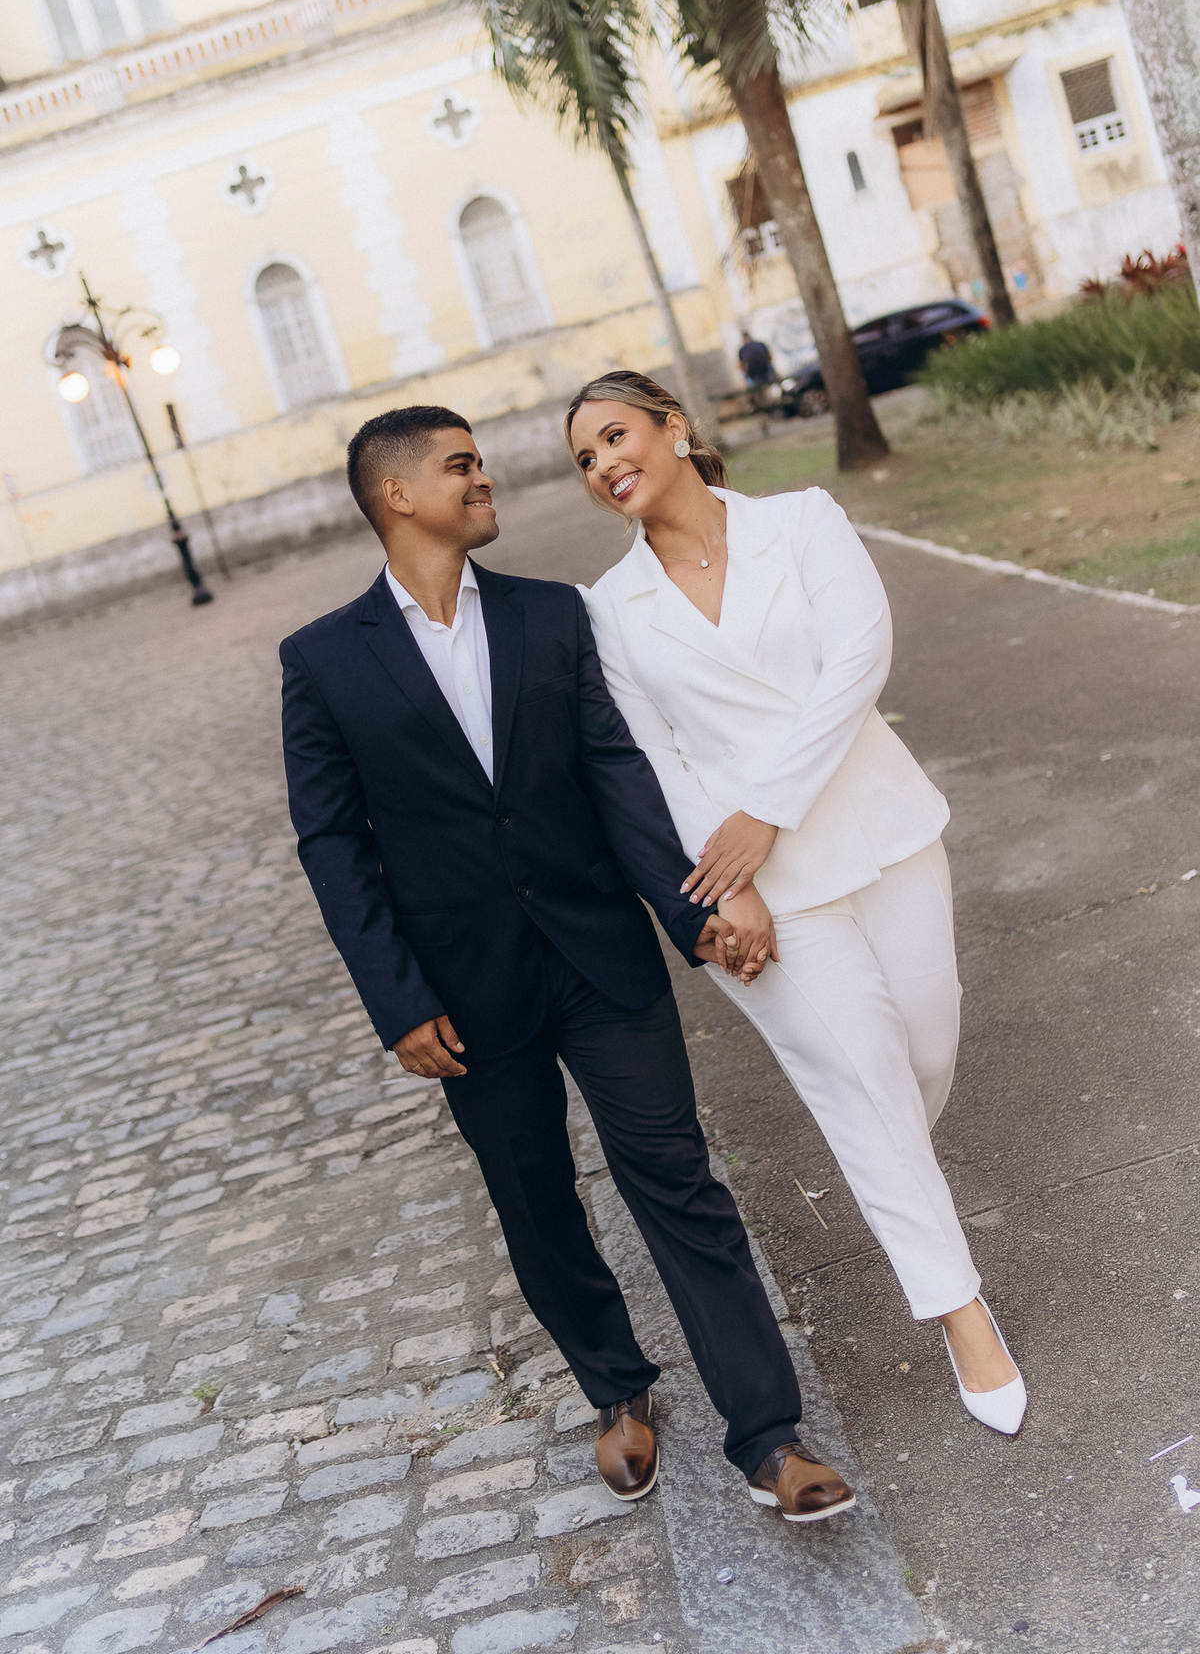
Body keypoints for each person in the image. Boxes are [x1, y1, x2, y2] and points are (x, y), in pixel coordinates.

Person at [279, 403, 857, 1524]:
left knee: (677, 1182)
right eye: (462, 467)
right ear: (398, 495)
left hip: (599, 958)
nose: (484, 479)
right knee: (536, 1200)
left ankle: (770, 1437)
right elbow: (332, 846)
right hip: (462, 993)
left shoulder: (554, 618)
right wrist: (395, 999)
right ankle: (615, 1388)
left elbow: (616, 776)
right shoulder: (322, 663)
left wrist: (693, 913)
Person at [569, 371, 1027, 1438]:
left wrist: (767, 810)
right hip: (760, 891)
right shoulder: (611, 611)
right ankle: (963, 1316)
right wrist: (729, 893)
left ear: (674, 428)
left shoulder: (802, 524)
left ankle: (908, 1193)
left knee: (919, 1061)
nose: (604, 465)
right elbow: (660, 762)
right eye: (585, 459)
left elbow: (857, 659)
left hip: (881, 832)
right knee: (862, 1085)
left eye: (616, 436)